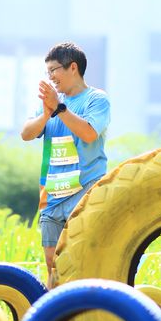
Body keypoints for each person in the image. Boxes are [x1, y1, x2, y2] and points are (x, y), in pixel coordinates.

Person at [21, 42, 110, 282]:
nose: (50, 77)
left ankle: (90, 305)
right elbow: (26, 133)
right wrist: (47, 113)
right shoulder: (50, 103)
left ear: (73, 67)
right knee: (53, 264)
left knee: (83, 259)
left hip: (86, 189)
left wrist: (59, 109)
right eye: (47, 71)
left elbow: (89, 133)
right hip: (52, 194)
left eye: (54, 70)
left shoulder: (96, 99)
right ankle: (56, 307)